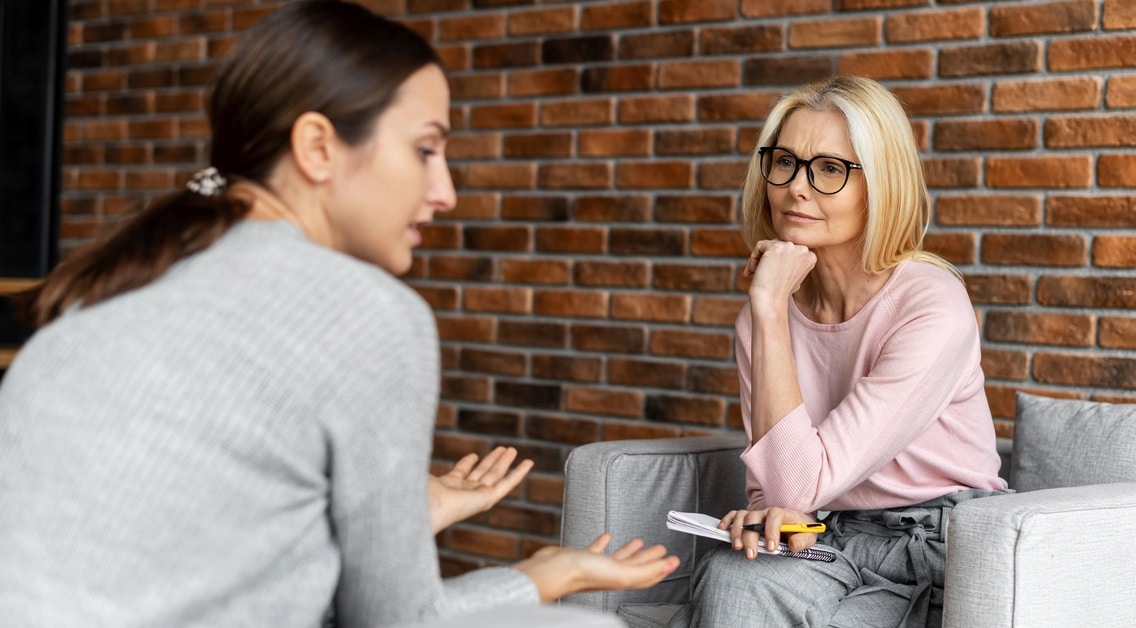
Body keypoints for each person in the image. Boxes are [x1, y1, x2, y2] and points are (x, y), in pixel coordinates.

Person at [0, 2, 677, 626]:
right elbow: (394, 622)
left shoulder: (115, 284)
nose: (444, 191)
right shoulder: (368, 315)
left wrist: (411, 514)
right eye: (425, 149)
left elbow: (186, 537)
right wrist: (541, 574)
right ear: (318, 147)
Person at [667, 76, 1008, 628]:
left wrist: (769, 306)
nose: (797, 187)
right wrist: (770, 517)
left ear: (879, 185)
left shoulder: (931, 306)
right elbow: (779, 490)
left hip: (936, 548)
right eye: (785, 162)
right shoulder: (766, 314)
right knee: (733, 578)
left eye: (830, 169)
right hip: (829, 535)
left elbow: (801, 482)